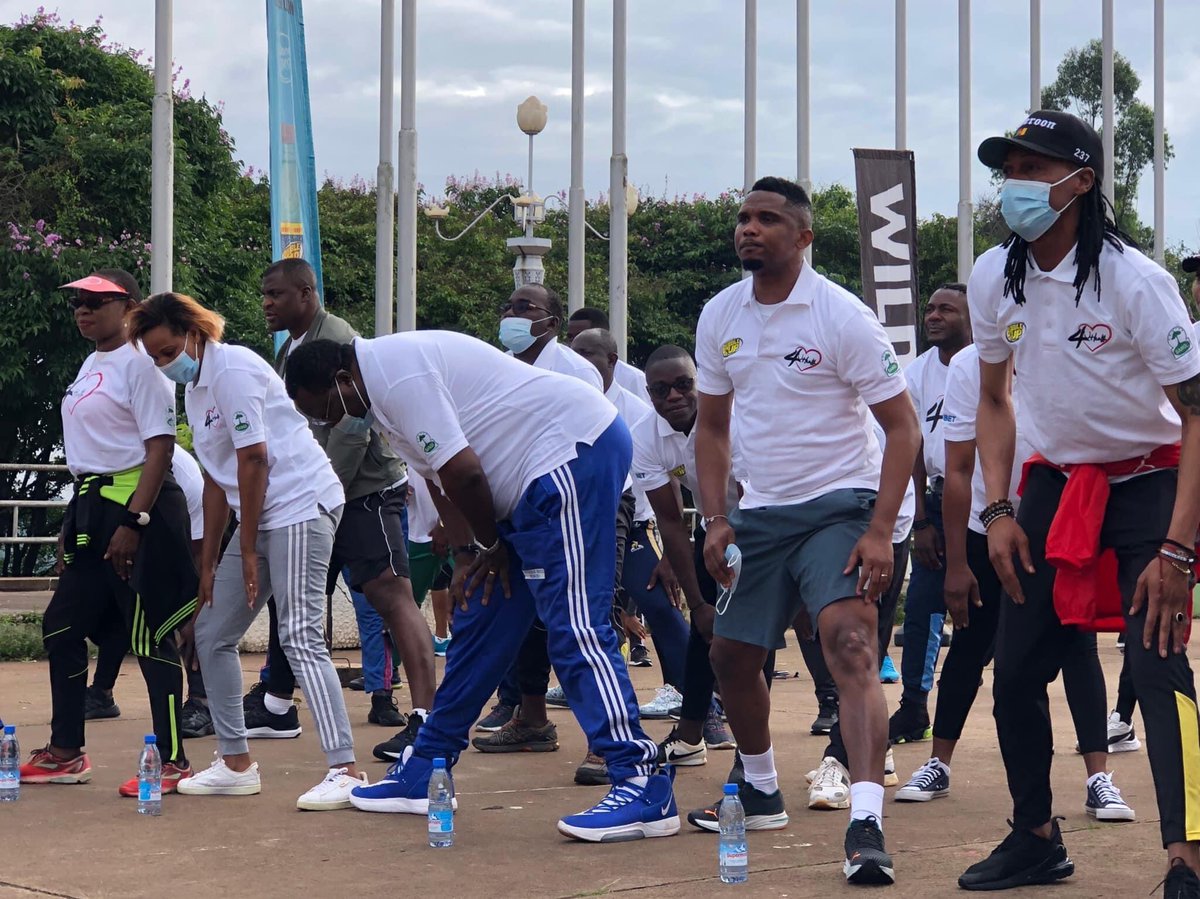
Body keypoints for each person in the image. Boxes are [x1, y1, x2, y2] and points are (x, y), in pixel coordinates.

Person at [284, 331, 677, 843]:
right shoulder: (376, 397)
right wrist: (472, 554)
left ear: (339, 380)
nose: (327, 423)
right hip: (523, 482)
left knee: (575, 626)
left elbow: (465, 473)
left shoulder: (398, 374)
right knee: (481, 620)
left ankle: (641, 780)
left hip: (572, 454)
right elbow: (439, 479)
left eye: (323, 411)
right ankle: (427, 765)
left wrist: (491, 546)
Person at [960, 110, 1200, 895]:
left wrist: (1177, 549)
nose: (1014, 186)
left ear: (1080, 182)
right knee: (1016, 669)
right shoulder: (996, 274)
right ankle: (1035, 837)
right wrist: (996, 510)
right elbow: (993, 398)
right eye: (1009, 170)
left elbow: (1195, 413)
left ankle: (1187, 855)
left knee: (1157, 662)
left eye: (1032, 170)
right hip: (1054, 486)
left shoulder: (1135, 281)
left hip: (1149, 481)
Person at [689, 176, 920, 887]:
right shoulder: (721, 314)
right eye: (743, 218)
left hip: (839, 505)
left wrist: (881, 529)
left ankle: (866, 820)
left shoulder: (841, 317)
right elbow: (714, 426)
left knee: (850, 640)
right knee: (731, 655)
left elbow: (903, 427)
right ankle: (759, 786)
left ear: (804, 236)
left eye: (767, 219)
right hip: (760, 514)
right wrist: (717, 516)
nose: (748, 229)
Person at [128, 291, 367, 811]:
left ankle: (345, 769)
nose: (166, 364)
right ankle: (236, 763)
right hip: (260, 515)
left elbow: (255, 459)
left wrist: (251, 550)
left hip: (301, 504)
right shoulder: (195, 392)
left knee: (300, 633)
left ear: (195, 332)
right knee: (212, 632)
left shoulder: (233, 369)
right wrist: (210, 561)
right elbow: (218, 481)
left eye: (169, 351)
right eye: (156, 359)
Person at [895, 342, 1133, 824]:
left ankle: (1098, 778)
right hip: (988, 522)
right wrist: (958, 565)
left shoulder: (1066, 348)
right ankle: (938, 762)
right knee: (969, 643)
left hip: (1058, 525)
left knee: (1077, 646)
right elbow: (959, 470)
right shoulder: (967, 366)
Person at [20, 270, 194, 797]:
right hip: (92, 507)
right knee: (61, 626)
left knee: (150, 635)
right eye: (77, 300)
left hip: (134, 509)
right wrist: (74, 521)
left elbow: (159, 449)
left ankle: (172, 760)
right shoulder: (92, 361)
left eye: (97, 301)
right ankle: (67, 751)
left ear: (130, 307)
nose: (83, 309)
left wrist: (134, 523)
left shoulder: (143, 367)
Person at [260, 258, 432, 750]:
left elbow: (352, 427)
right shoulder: (292, 345)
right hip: (319, 495)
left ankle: (424, 718)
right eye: (265, 295)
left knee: (390, 597)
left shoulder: (331, 337)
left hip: (360, 493)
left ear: (306, 294)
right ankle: (275, 704)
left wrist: (320, 495)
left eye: (276, 295)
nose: (267, 304)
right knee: (290, 597)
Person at [630, 345, 743, 769]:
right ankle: (692, 735)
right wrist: (698, 604)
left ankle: (755, 752)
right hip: (712, 526)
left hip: (763, 518)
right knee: (703, 632)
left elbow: (754, 498)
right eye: (660, 390)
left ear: (699, 382)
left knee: (752, 635)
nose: (673, 396)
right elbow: (672, 521)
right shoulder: (645, 436)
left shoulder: (734, 416)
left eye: (683, 384)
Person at [571, 328, 688, 719]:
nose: (581, 361)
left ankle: (694, 699)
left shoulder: (637, 410)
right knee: (592, 612)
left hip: (638, 522)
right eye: (575, 353)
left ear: (612, 362)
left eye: (589, 354)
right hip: (583, 525)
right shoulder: (563, 402)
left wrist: (671, 550)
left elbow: (668, 477)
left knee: (660, 603)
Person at [85, 445, 215, 738]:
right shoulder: (104, 452)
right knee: (122, 601)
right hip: (131, 526)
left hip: (184, 533)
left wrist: (197, 612)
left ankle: (202, 702)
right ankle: (102, 692)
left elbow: (200, 554)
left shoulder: (182, 474)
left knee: (184, 615)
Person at [891, 284, 972, 744]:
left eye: (946, 309)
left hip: (988, 503)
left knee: (984, 618)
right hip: (939, 502)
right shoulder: (918, 371)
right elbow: (915, 448)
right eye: (930, 308)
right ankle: (914, 708)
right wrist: (921, 519)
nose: (933, 316)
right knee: (922, 608)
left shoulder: (988, 363)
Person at [567, 307, 647, 396]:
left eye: (581, 335)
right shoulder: (564, 371)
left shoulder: (633, 378)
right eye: (570, 337)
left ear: (611, 359)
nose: (574, 342)